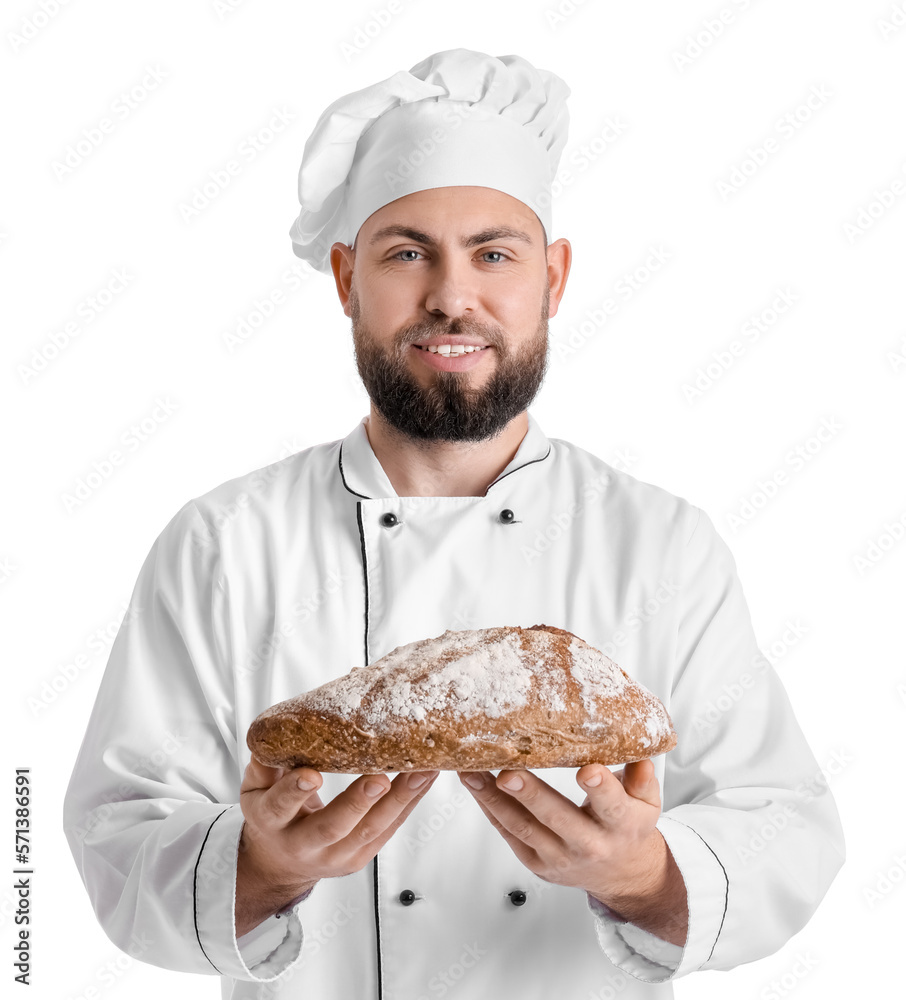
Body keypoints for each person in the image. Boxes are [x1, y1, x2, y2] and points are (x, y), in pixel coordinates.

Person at [64, 49, 845, 999]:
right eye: (405, 252)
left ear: (552, 277)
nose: (451, 296)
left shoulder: (661, 545)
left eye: (494, 252)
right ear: (346, 276)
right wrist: (264, 869)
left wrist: (640, 879)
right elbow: (115, 835)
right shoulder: (225, 542)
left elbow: (789, 829)